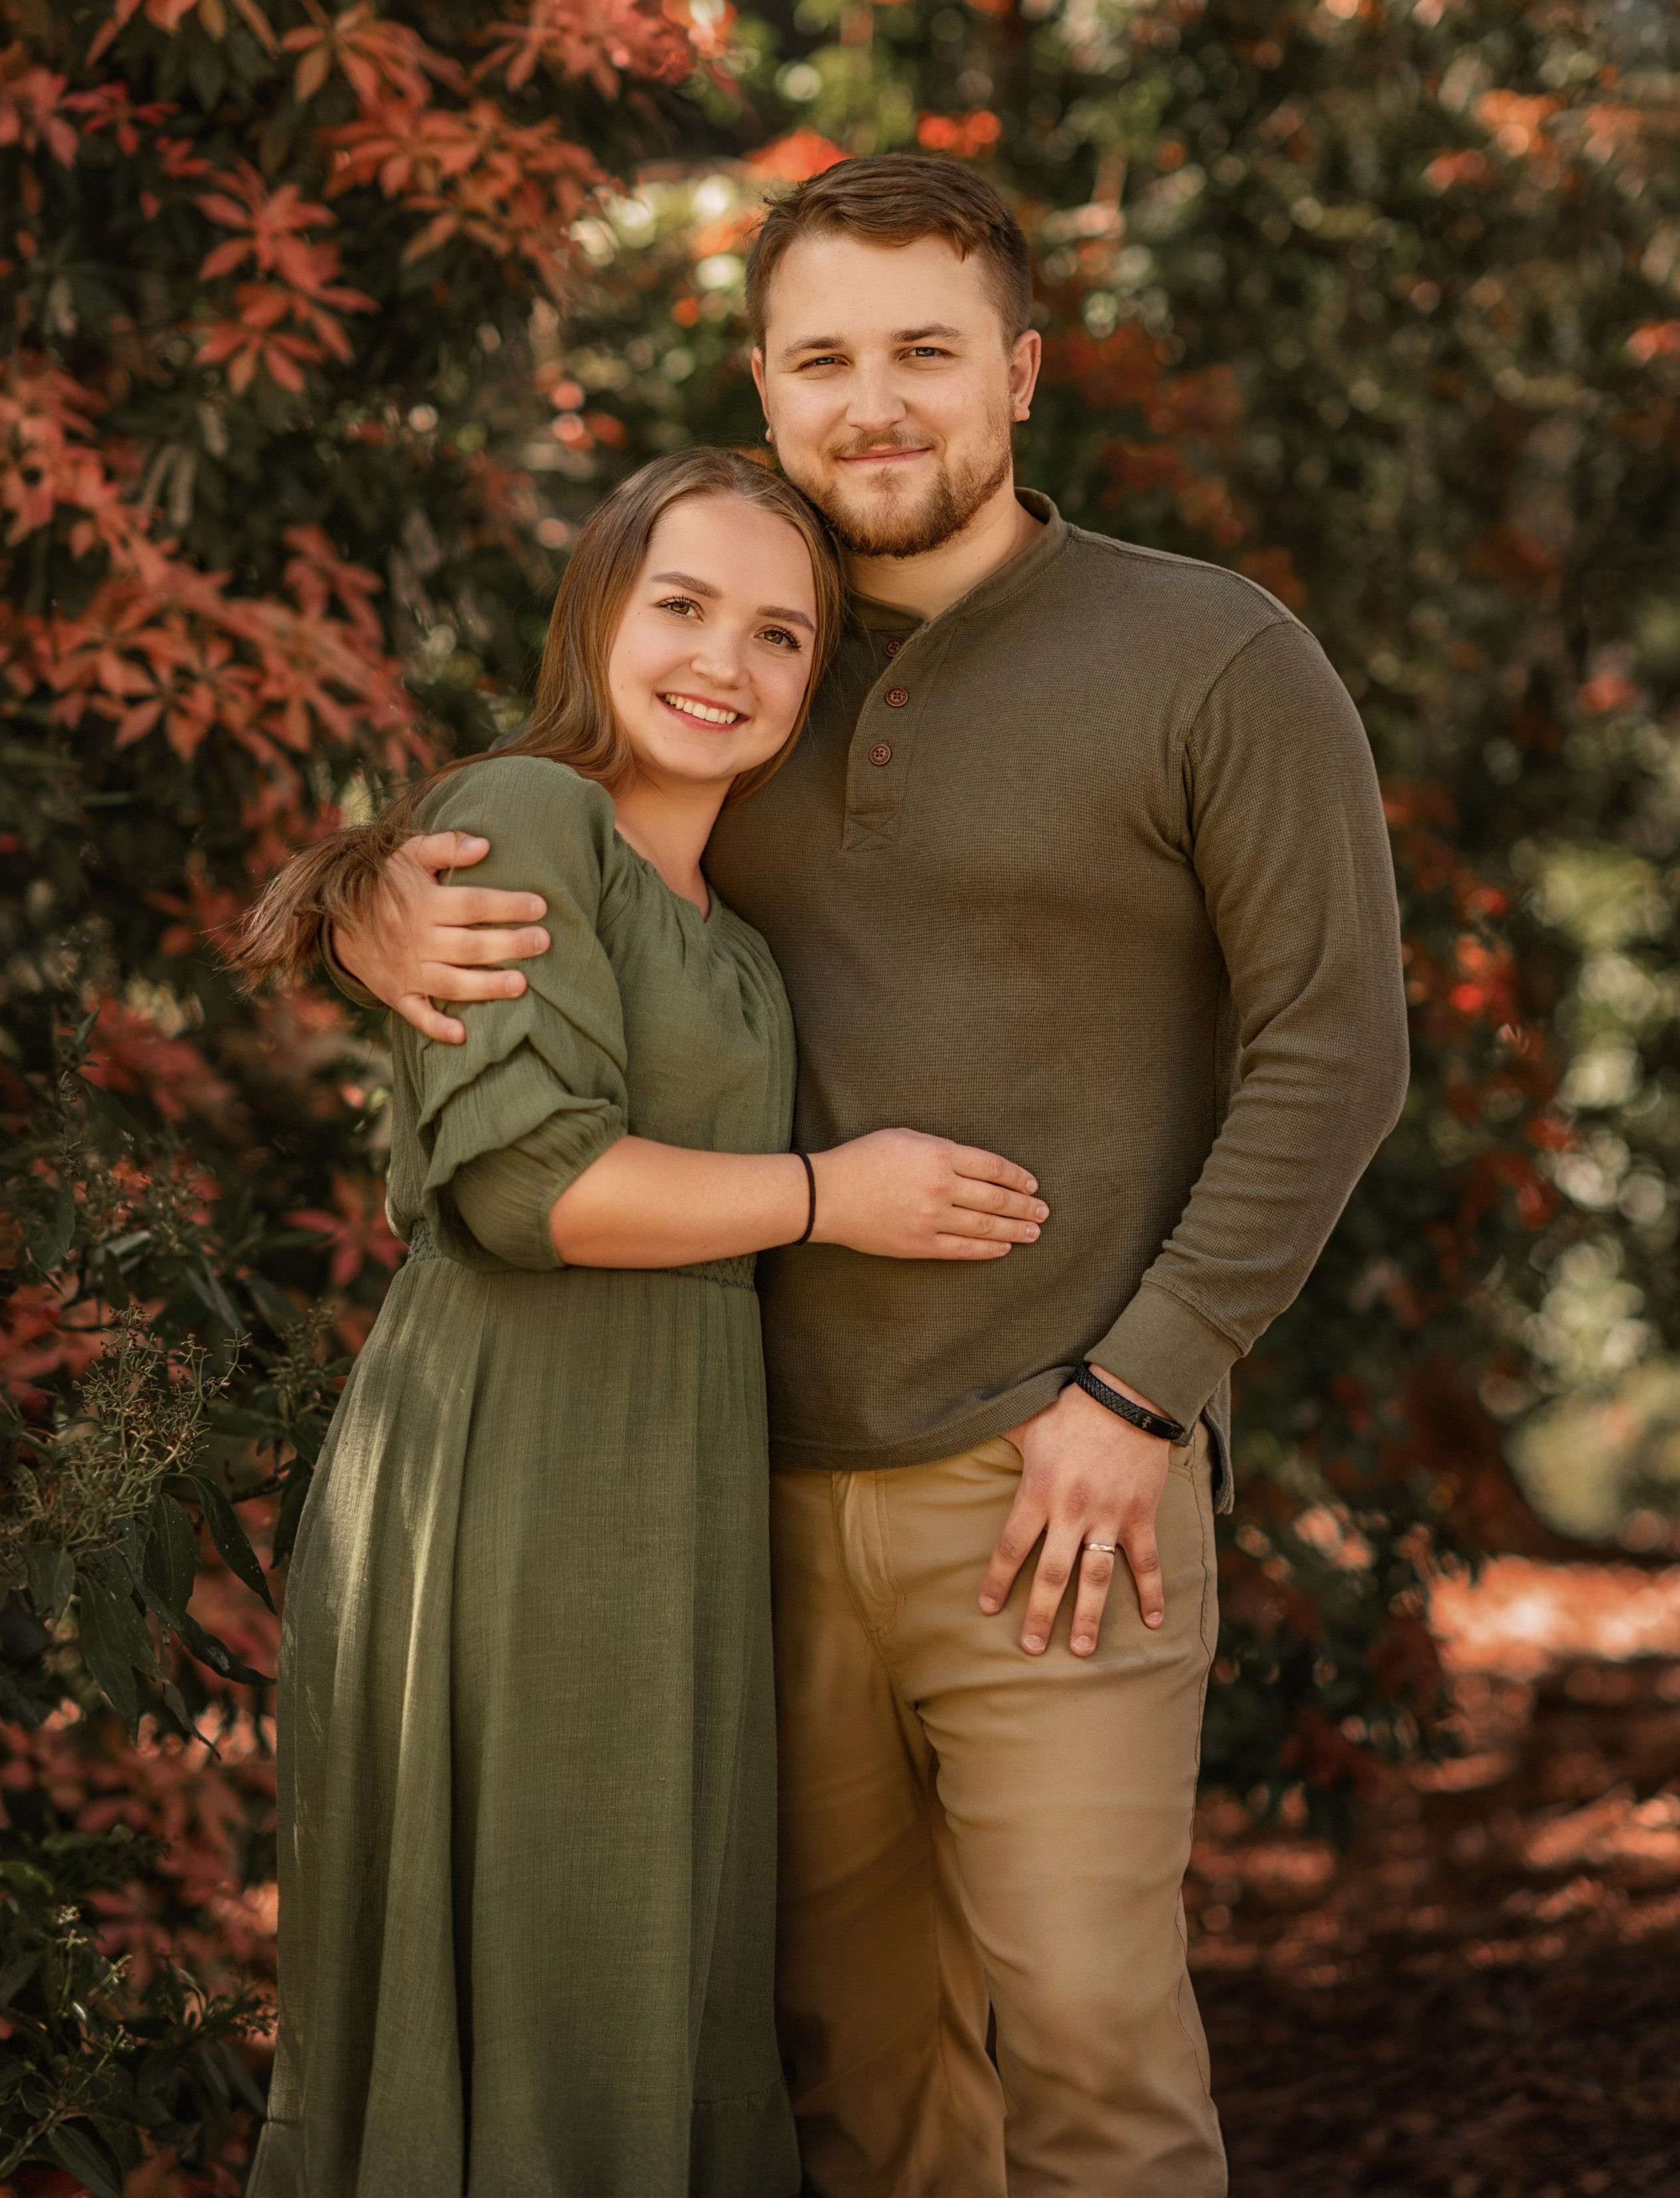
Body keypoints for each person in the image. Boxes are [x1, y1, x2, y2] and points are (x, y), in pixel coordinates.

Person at [303, 159, 1411, 2198]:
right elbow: (541, 845)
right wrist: (359, 898)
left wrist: (1143, 1390)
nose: (873, 401)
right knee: (859, 2079)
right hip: (736, 1488)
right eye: (823, 355)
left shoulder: (1210, 657)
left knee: (1087, 2037)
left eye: (925, 349)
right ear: (763, 377)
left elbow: (1338, 1049)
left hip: (1059, 1480)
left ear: (1021, 373)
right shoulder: (746, 653)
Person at [231, 447, 1053, 2198]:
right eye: (681, 606)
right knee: (543, 1968)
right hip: (514, 1468)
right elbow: (542, 1189)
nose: (722, 663)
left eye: (778, 634)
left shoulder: (737, 932)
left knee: (651, 1968)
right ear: (600, 606)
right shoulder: (535, 817)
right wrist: (842, 1194)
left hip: (670, 1480)